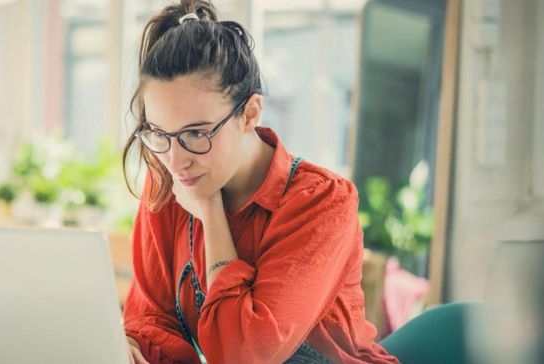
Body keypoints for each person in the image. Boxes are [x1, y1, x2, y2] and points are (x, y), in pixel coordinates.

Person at [120, 1, 399, 363]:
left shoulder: (321, 202)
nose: (175, 159)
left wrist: (209, 210)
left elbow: (244, 354)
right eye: (159, 133)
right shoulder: (167, 185)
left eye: (195, 134)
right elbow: (151, 318)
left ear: (250, 113)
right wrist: (134, 349)